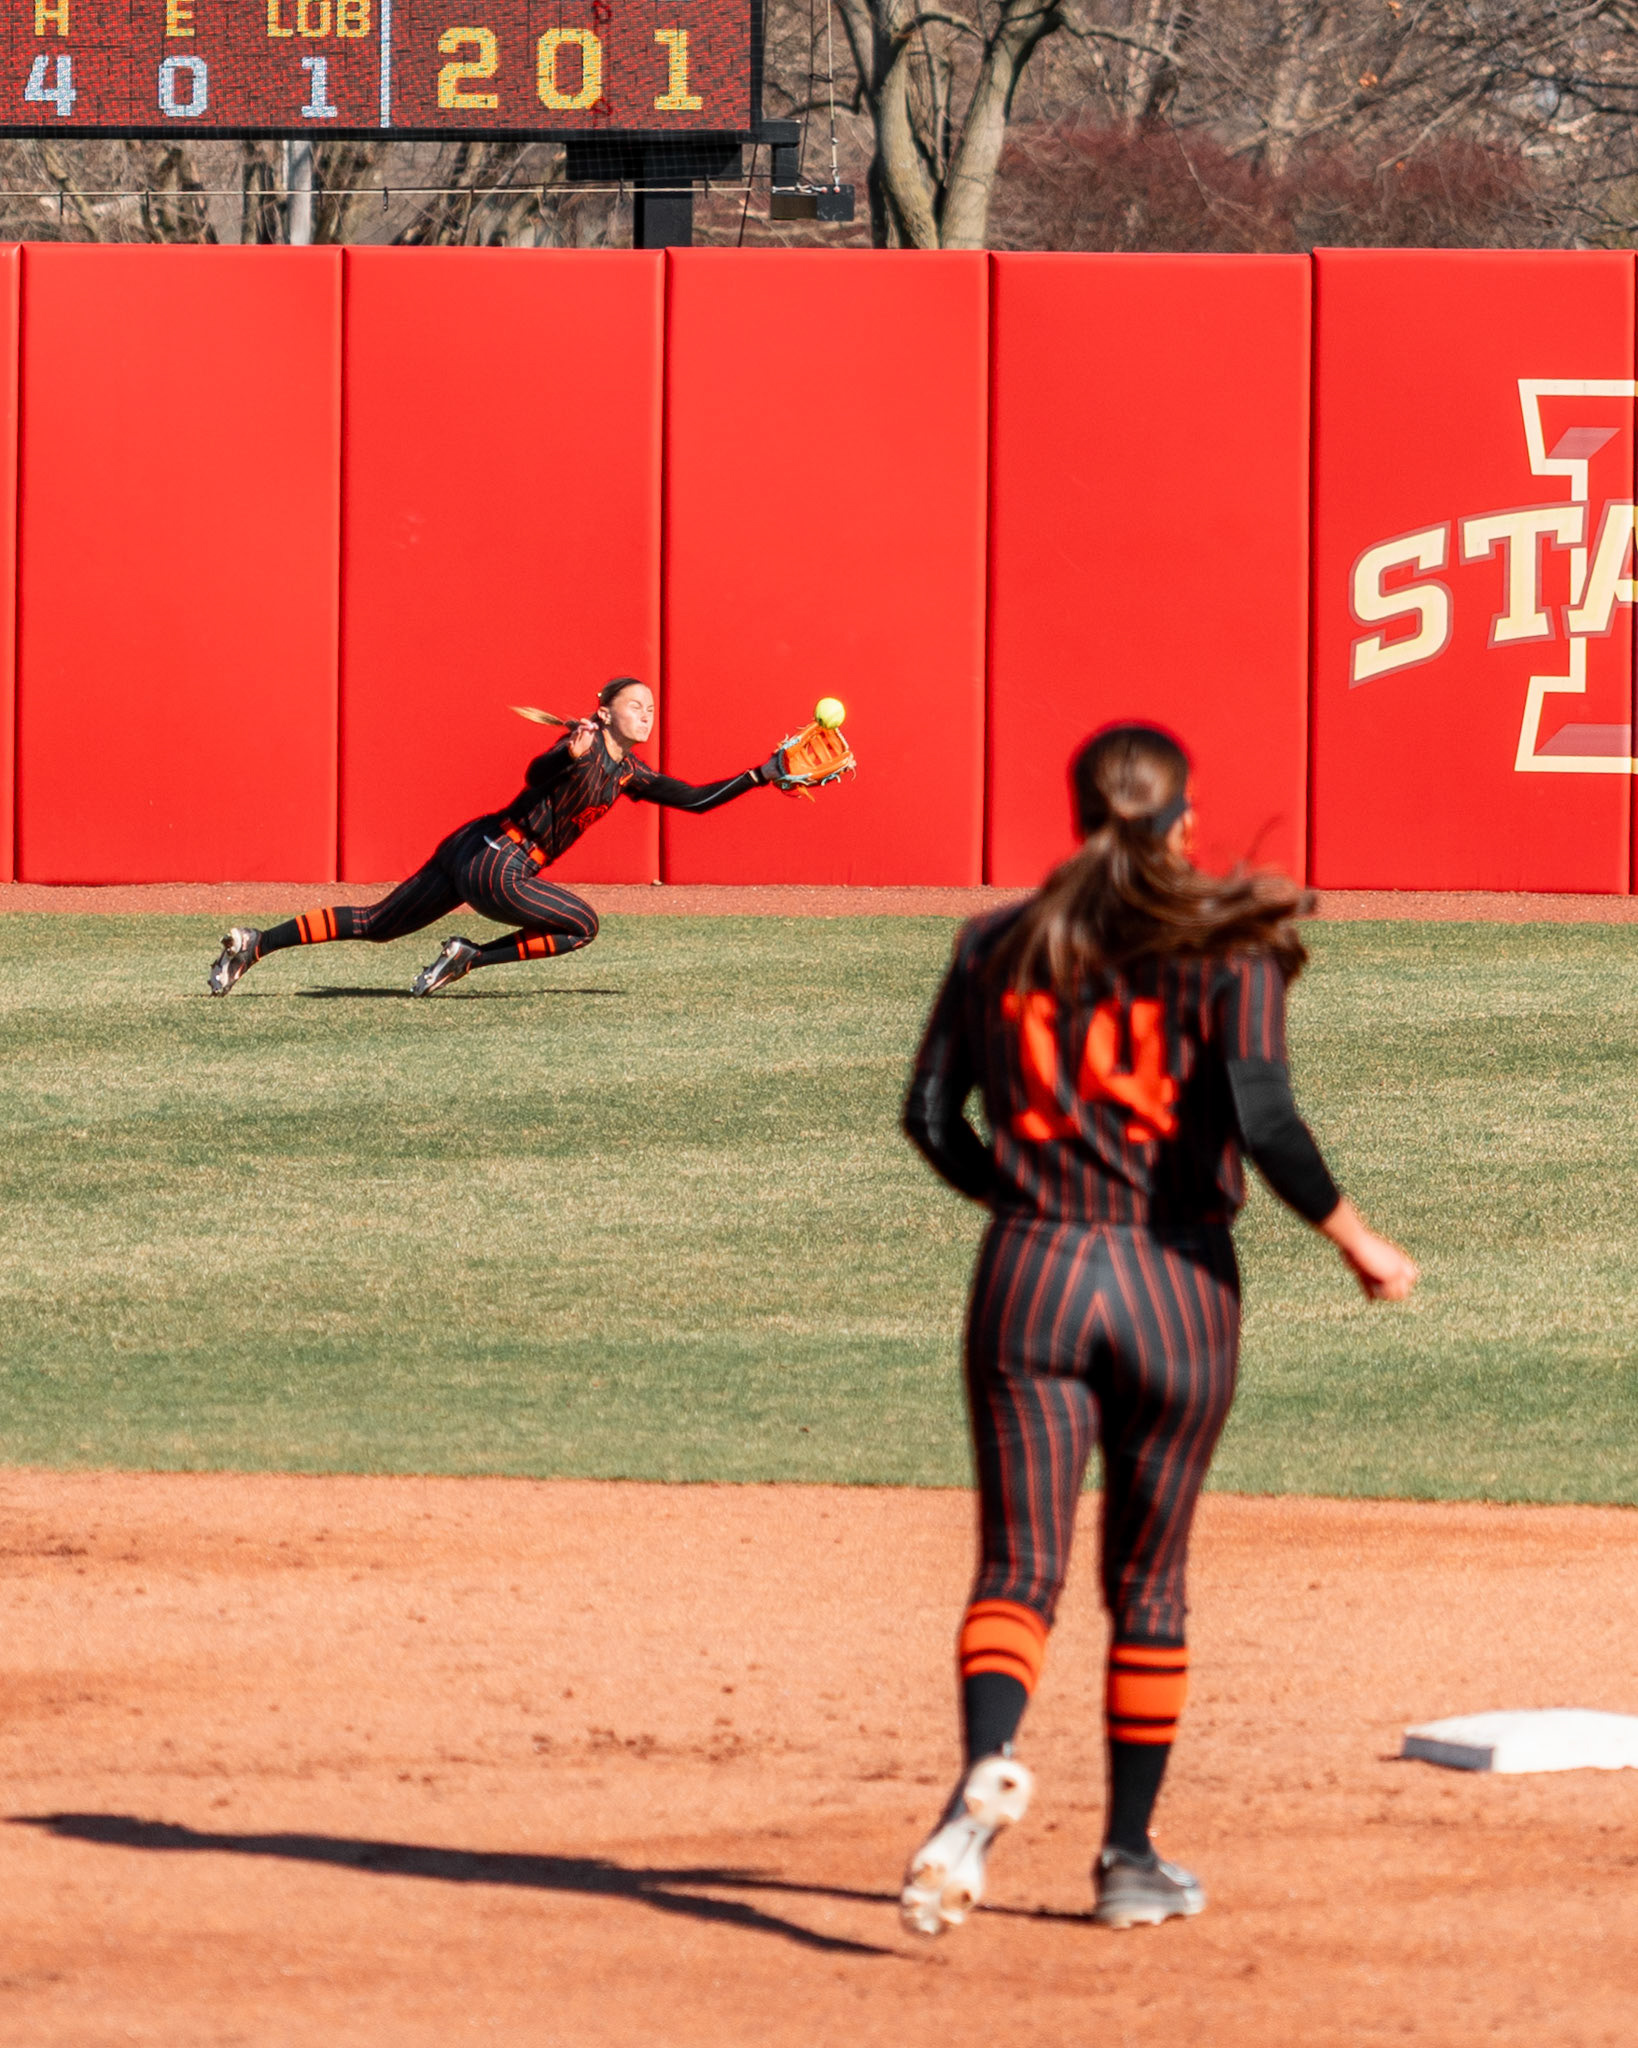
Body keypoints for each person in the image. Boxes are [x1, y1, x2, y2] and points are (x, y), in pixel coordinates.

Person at [897, 722, 1417, 1938]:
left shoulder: (994, 943)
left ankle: (987, 1764)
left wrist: (1021, 1204)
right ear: (1183, 822)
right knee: (1150, 1582)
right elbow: (1269, 1122)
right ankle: (1128, 1858)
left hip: (1032, 1272)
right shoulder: (1228, 953)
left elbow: (931, 1115)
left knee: (1019, 1567)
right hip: (1177, 1283)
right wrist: (1356, 1237)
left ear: (1077, 816)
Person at [207, 679, 783, 998]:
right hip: (499, 863)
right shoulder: (577, 750)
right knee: (583, 926)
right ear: (602, 713)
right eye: (634, 705)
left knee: (377, 924)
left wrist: (764, 774)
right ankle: (469, 958)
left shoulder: (629, 772)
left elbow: (696, 800)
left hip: (472, 846)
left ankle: (255, 943)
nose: (646, 714)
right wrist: (564, 754)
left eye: (651, 708)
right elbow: (538, 775)